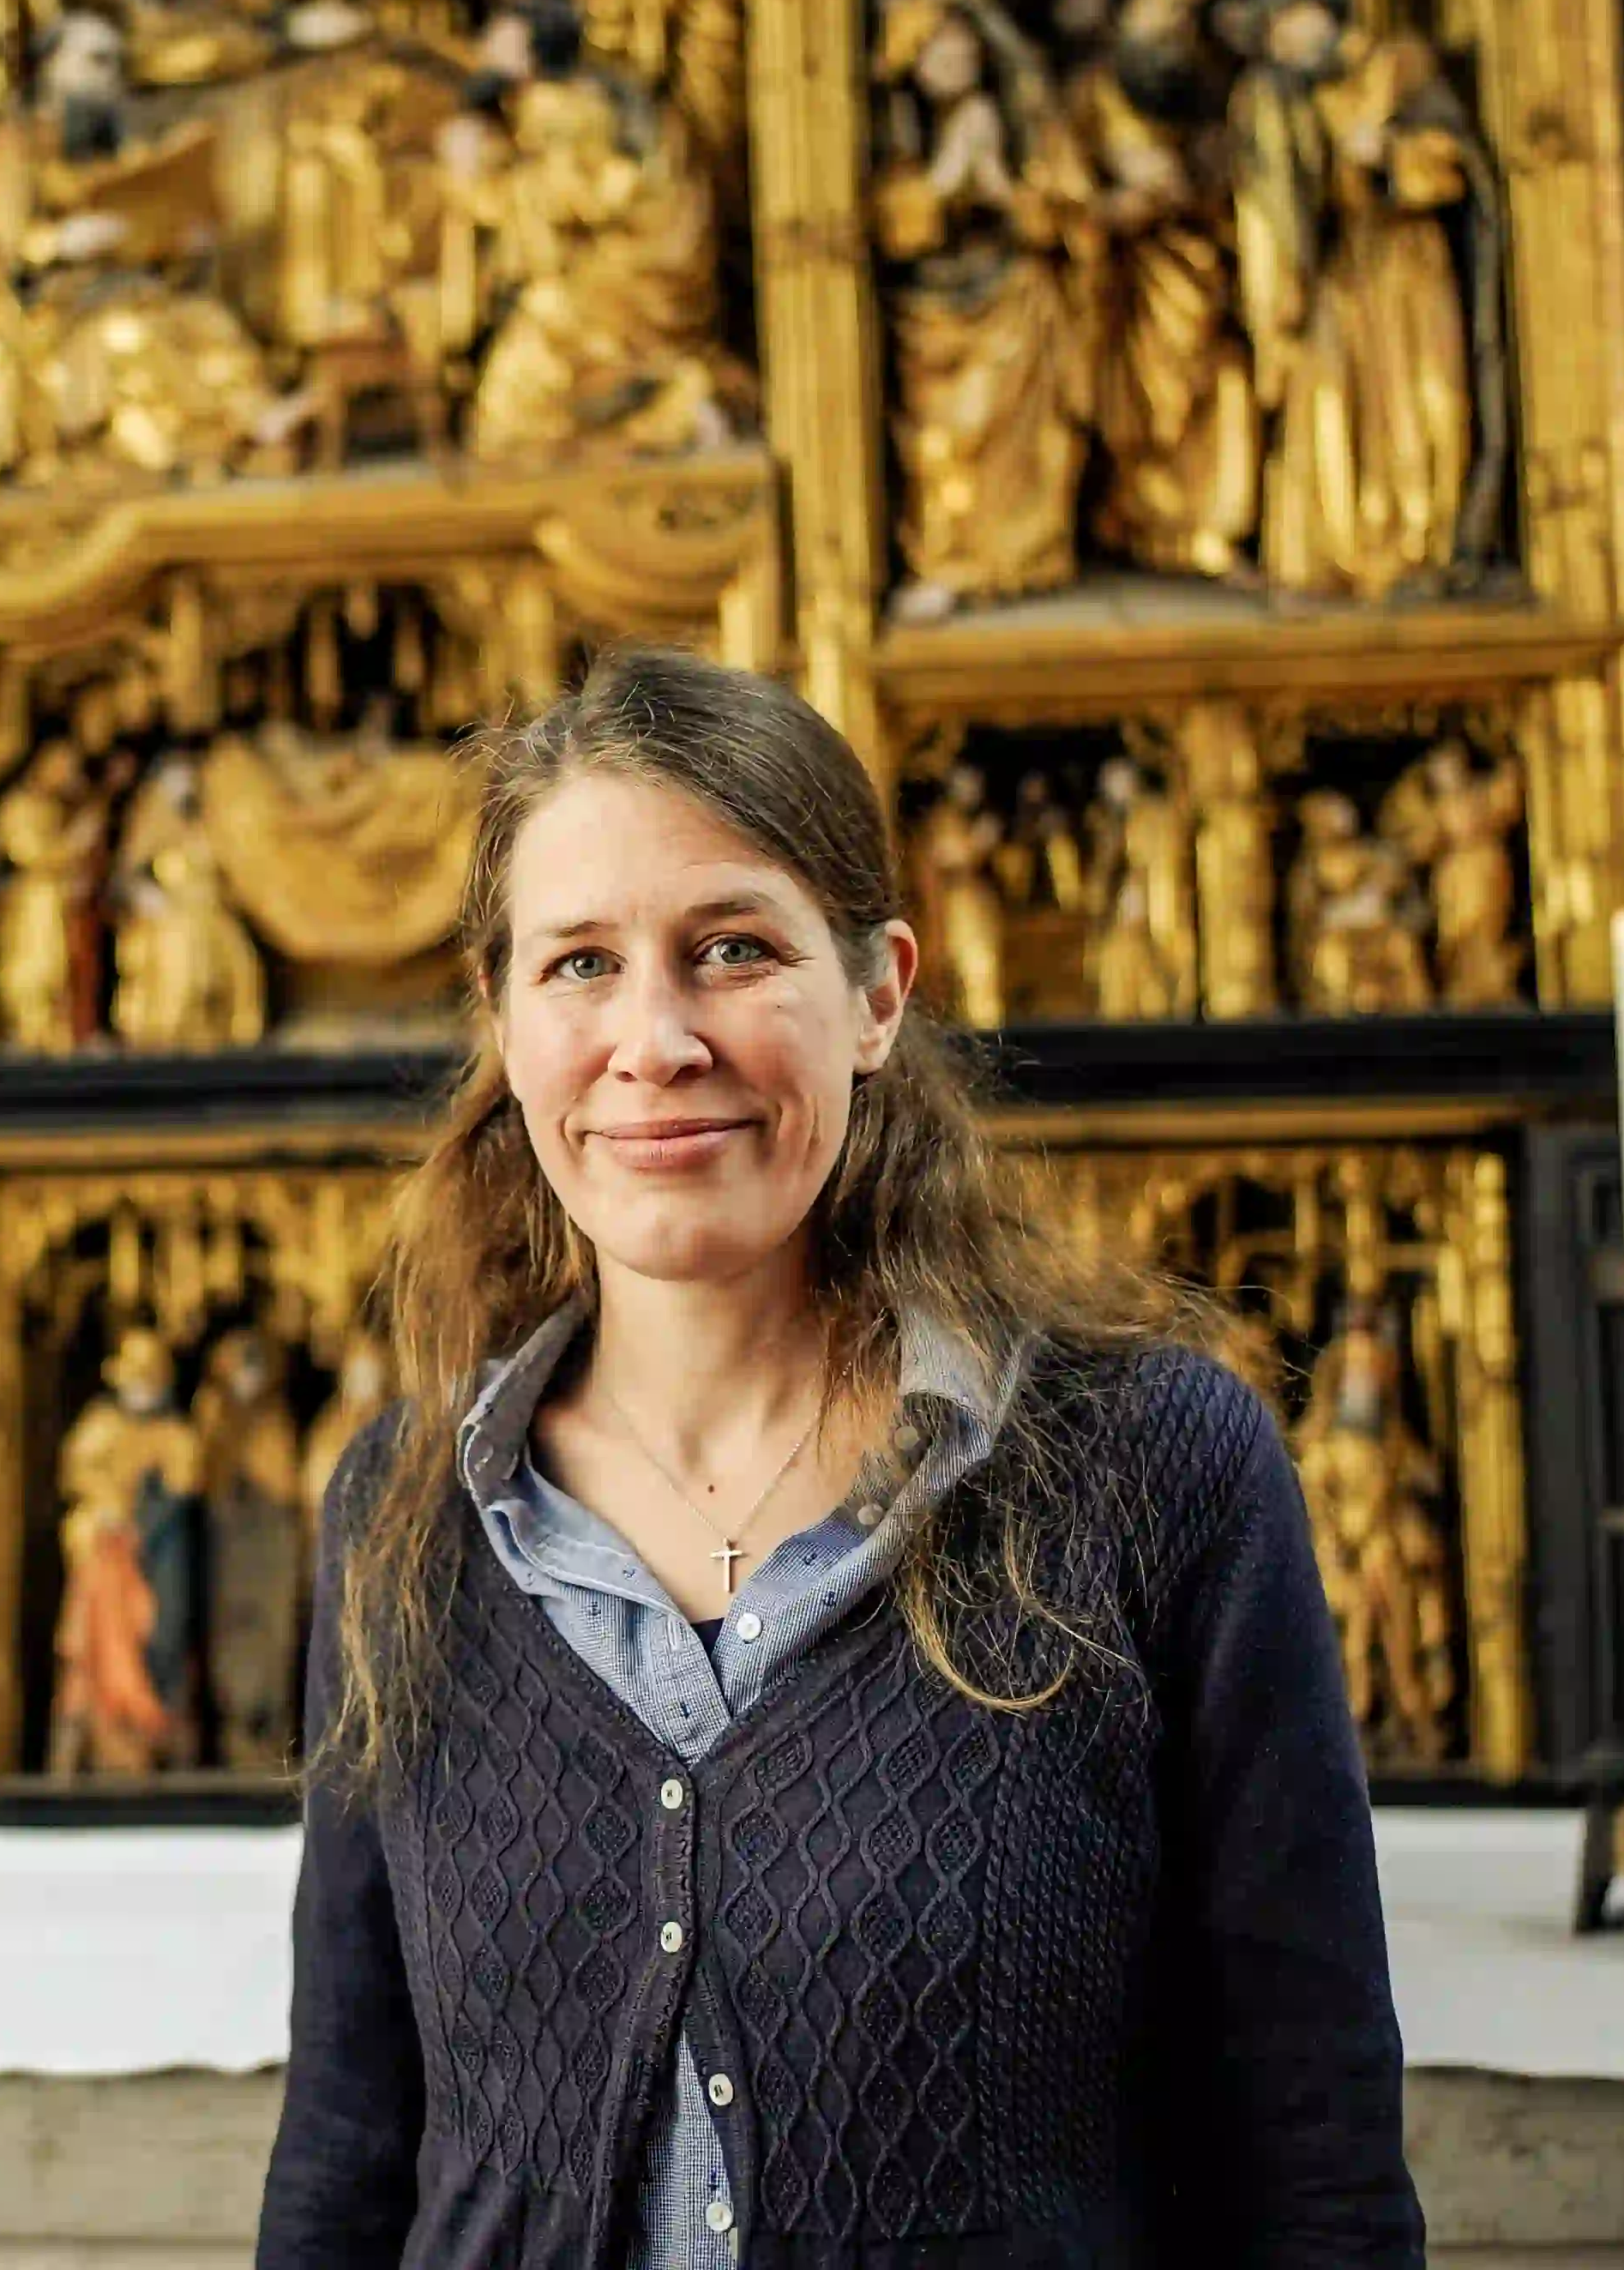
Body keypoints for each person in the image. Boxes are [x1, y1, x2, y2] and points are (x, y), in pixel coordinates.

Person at [258, 647, 1420, 2265]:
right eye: (580, 963)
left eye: (732, 948)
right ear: (504, 1022)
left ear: (877, 994)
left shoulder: (1158, 1471)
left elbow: (1318, 2153)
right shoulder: (403, 1509)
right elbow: (346, 2139)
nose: (654, 1040)